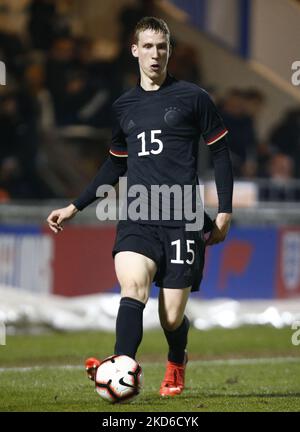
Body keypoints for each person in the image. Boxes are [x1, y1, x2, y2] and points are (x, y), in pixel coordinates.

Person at [47, 17, 233, 397]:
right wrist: (75, 206)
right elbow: (116, 163)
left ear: (170, 51)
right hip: (138, 212)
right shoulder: (123, 106)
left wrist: (225, 210)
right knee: (132, 286)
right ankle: (119, 369)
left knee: (170, 316)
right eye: (147, 47)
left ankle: (177, 359)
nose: (155, 54)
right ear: (135, 50)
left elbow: (221, 153)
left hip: (183, 216)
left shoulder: (194, 98)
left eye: (162, 47)